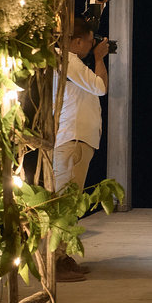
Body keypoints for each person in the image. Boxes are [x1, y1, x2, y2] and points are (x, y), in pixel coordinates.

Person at [51, 18, 109, 281]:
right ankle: (56, 262)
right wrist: (99, 58)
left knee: (69, 203)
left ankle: (63, 257)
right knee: (65, 204)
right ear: (75, 41)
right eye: (88, 40)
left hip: (77, 140)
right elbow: (100, 87)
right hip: (72, 140)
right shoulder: (69, 62)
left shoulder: (71, 64)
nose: (91, 45)